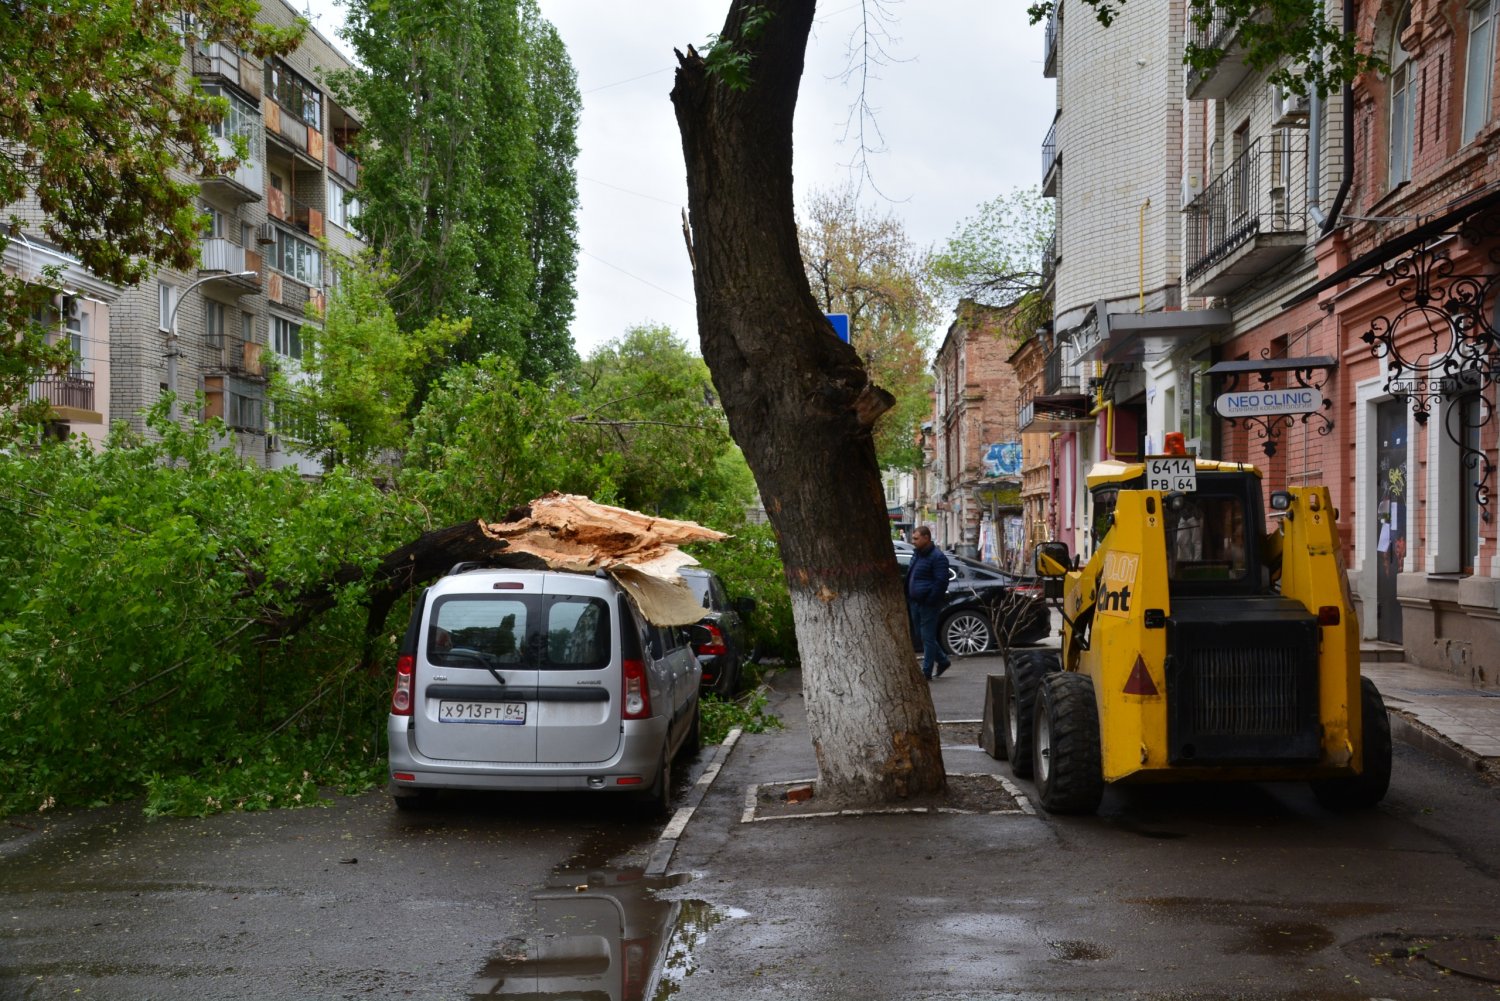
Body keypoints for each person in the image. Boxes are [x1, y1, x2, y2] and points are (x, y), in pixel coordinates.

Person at [905, 526, 952, 679]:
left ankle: (926, 672)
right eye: (913, 539)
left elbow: (941, 582)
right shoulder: (917, 554)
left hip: (927, 603)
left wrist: (930, 599)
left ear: (926, 538)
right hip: (915, 601)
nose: (913, 542)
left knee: (927, 637)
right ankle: (943, 660)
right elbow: (912, 575)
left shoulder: (937, 557)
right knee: (923, 635)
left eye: (916, 539)